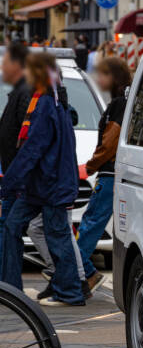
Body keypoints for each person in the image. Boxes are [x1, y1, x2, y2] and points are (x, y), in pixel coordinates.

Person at [0, 52, 83, 306]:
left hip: (50, 184)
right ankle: (11, 288)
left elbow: (33, 147)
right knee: (13, 225)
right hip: (41, 185)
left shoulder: (46, 102)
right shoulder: (53, 100)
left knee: (56, 236)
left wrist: (9, 182)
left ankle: (70, 291)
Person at [75, 57, 131, 292]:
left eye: (103, 75)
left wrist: (89, 167)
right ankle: (83, 272)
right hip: (114, 173)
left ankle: (79, 272)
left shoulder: (118, 104)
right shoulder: (122, 102)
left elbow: (110, 142)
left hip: (109, 174)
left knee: (90, 223)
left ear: (114, 77)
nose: (99, 79)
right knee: (92, 222)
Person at [0, 43, 31, 276]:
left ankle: (10, 287)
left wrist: (16, 178)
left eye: (5, 62)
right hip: (13, 178)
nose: (2, 67)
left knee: (10, 229)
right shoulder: (18, 93)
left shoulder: (24, 94)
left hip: (18, 180)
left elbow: (25, 140)